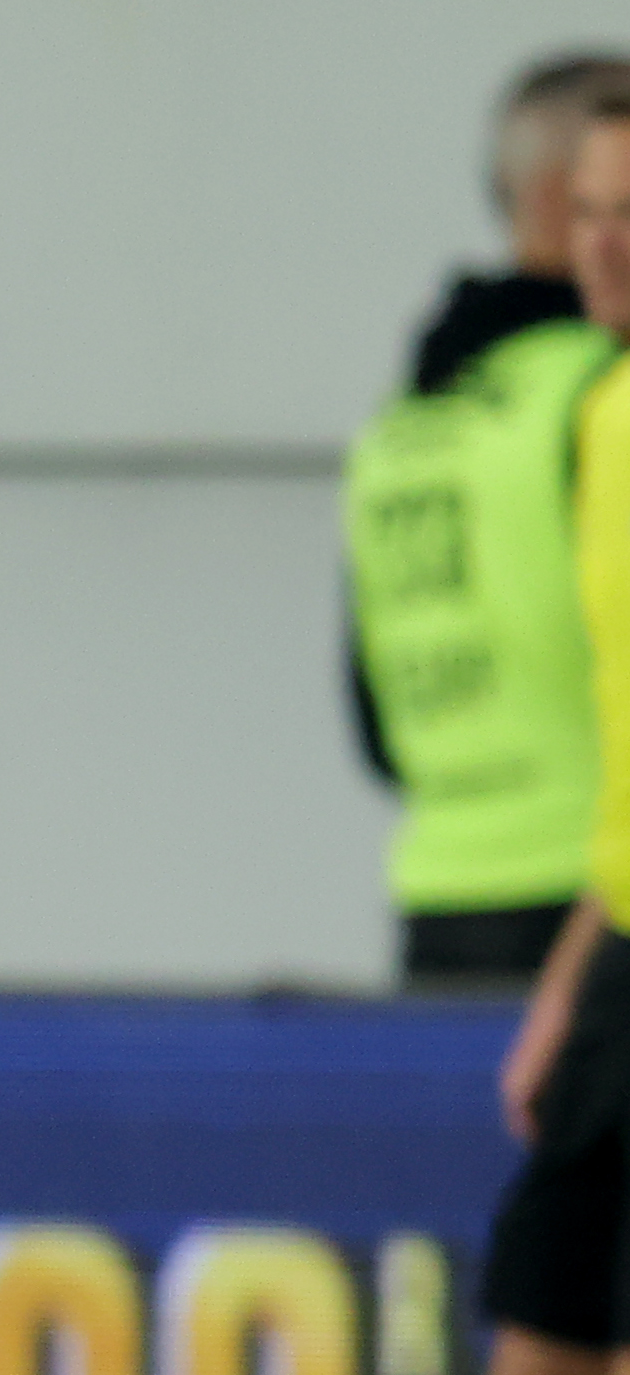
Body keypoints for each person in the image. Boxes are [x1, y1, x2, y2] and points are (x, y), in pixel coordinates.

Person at [386, 90, 630, 1375]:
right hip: (615, 955)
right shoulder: (597, 420)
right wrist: (569, 971)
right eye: (592, 211)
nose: (604, 239)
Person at [348, 54, 630, 989]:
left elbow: (373, 721)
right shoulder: (598, 394)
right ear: (565, 194)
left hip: (442, 900)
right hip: (596, 904)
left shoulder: (401, 426)